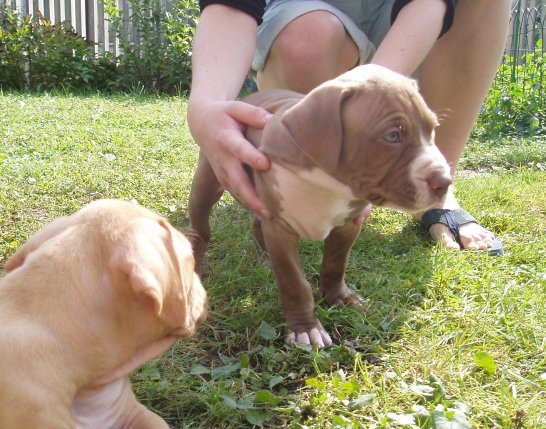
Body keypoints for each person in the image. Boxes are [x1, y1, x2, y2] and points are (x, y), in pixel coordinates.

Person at [187, 0, 510, 254]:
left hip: (413, 13)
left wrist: (374, 92)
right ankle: (291, 174)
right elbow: (231, 5)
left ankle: (436, 190)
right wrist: (206, 104)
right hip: (310, 10)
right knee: (307, 36)